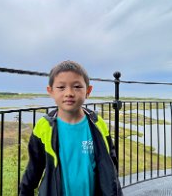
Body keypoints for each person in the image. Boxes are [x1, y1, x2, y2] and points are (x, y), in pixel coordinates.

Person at [19, 60, 123, 196]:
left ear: (88, 91)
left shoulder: (98, 124)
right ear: (50, 91)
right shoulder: (44, 127)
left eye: (77, 86)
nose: (69, 93)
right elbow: (33, 171)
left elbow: (110, 166)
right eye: (61, 87)